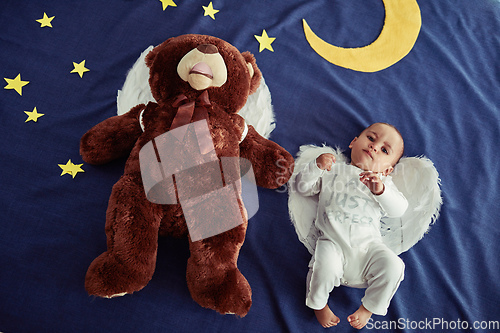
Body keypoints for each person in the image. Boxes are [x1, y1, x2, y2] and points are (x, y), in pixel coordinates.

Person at [295, 122, 408, 329]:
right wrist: (317, 166)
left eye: (384, 150)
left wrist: (381, 190)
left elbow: (399, 210)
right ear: (353, 142)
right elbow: (302, 187)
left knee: (395, 267)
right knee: (323, 267)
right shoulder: (333, 170)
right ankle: (318, 304)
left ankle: (369, 307)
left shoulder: (383, 184)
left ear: (388, 169)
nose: (374, 147)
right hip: (333, 242)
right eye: (371, 138)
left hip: (368, 248)